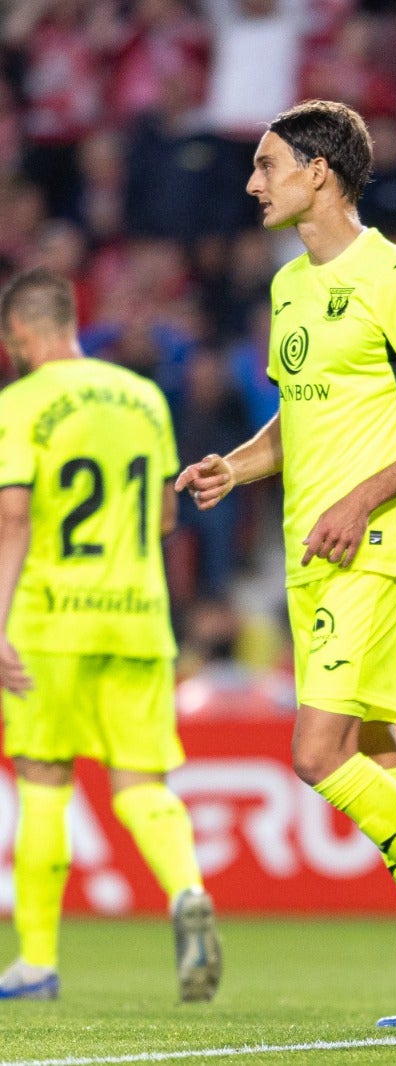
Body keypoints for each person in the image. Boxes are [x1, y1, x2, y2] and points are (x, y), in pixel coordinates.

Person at [174, 100, 396, 1027]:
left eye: (268, 164)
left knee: (317, 756)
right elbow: (299, 422)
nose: (252, 181)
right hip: (312, 556)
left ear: (321, 172)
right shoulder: (289, 288)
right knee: (378, 757)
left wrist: (359, 499)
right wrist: (239, 462)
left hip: (378, 546)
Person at [0, 269, 219, 1003]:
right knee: (140, 785)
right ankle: (186, 889)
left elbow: (12, 518)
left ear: (20, 335)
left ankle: (34, 962)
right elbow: (164, 519)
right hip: (138, 618)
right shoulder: (144, 396)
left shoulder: (20, 403)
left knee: (44, 780)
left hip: (48, 621)